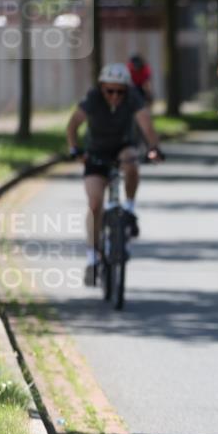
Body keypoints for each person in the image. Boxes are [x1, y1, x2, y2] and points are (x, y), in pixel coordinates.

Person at [66, 63, 164, 286]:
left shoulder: (132, 98)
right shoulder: (92, 98)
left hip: (121, 148)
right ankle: (92, 259)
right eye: (110, 91)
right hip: (96, 153)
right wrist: (74, 149)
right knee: (94, 203)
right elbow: (72, 126)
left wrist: (153, 148)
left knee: (131, 164)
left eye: (120, 91)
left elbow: (146, 124)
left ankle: (128, 208)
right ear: (102, 88)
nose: (115, 96)